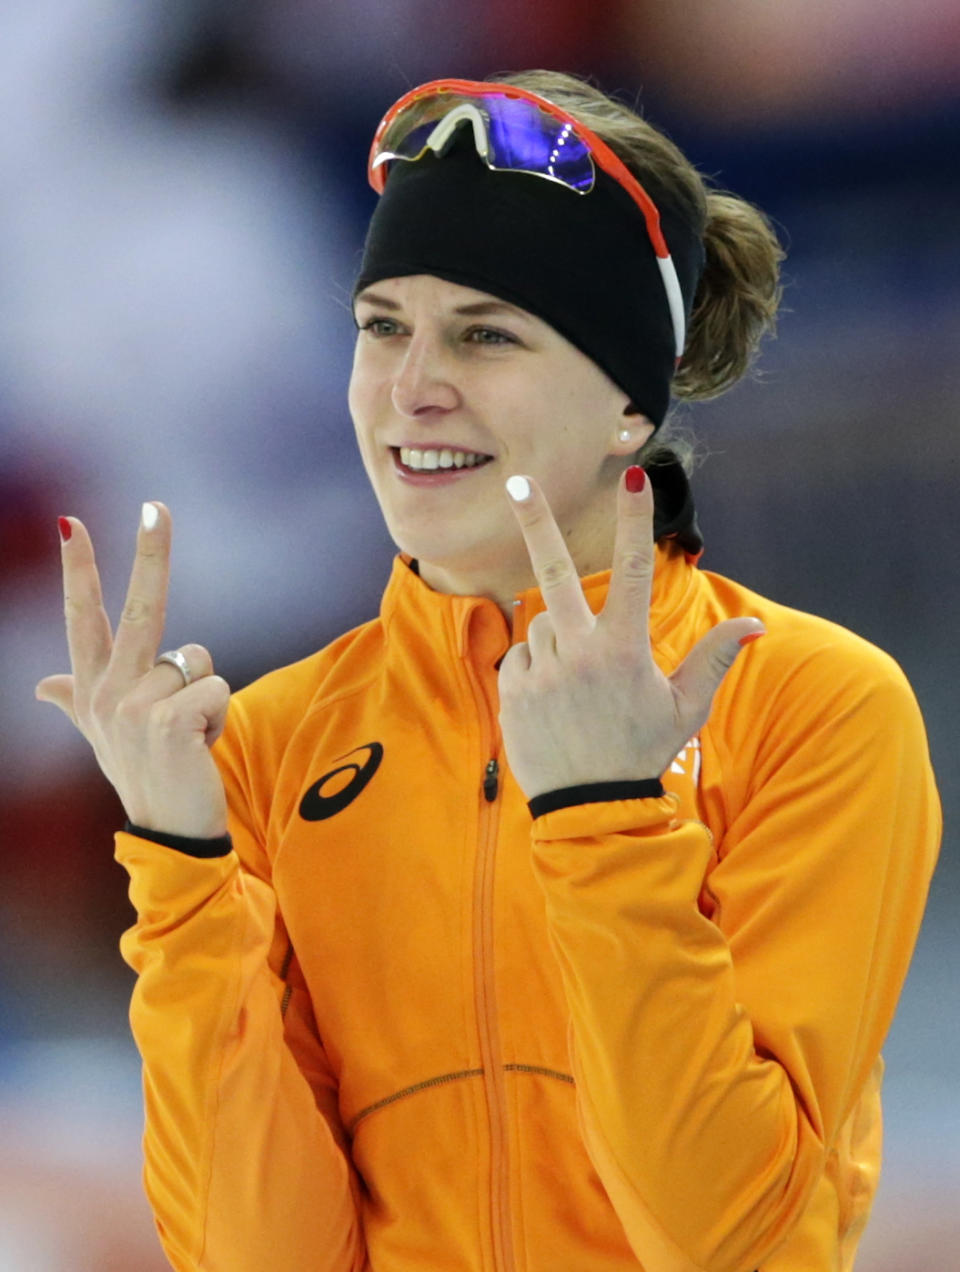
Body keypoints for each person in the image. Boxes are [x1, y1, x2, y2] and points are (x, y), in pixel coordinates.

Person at [36, 71, 940, 1272]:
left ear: (629, 403)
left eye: (486, 334)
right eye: (383, 327)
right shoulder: (271, 743)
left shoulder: (805, 704)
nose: (415, 387)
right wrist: (184, 871)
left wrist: (605, 821)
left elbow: (735, 1242)